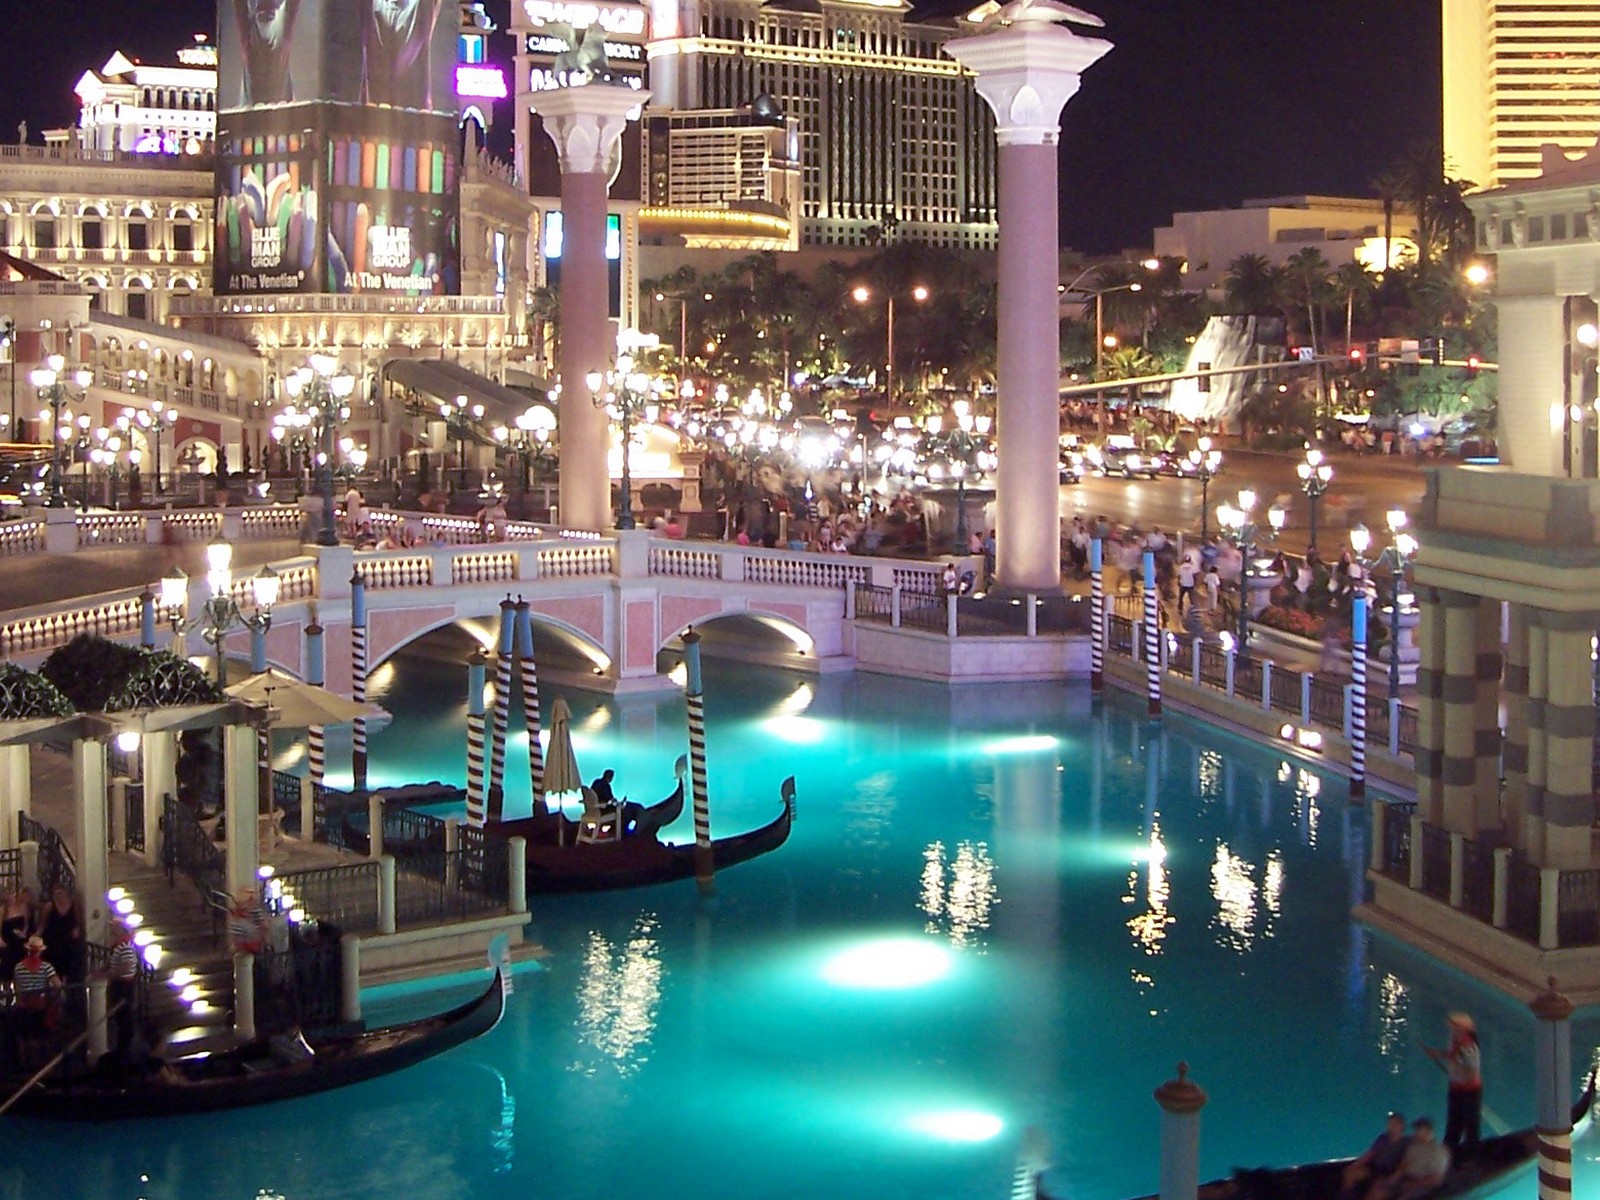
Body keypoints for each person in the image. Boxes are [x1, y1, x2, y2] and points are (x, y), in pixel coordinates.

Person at [1425, 1012, 1482, 1149]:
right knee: (1453, 1122)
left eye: (1455, 1029)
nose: (1452, 1031)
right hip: (1456, 1087)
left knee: (1470, 1125)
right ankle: (1450, 1148)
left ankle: (1472, 1151)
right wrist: (1438, 1053)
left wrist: (1458, 1069)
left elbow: (1472, 1070)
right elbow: (1452, 1054)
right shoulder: (1454, 1039)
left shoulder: (1469, 1047)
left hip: (1469, 1090)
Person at [1366, 1117, 1449, 1200]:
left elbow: (1436, 1179)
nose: (1415, 1133)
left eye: (1419, 1130)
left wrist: (1412, 1184)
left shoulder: (1438, 1152)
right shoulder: (1414, 1146)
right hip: (1404, 1178)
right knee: (1378, 1188)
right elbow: (1404, 1164)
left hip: (1421, 1184)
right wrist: (1393, 1178)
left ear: (1428, 1131)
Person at [1340, 1112, 1410, 1200]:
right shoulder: (1383, 1138)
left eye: (1394, 1124)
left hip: (1389, 1172)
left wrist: (1393, 1178)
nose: (1391, 1126)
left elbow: (1405, 1164)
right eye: (1390, 1124)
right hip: (1375, 1168)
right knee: (1350, 1174)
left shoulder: (1407, 1142)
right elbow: (1370, 1153)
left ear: (1402, 1126)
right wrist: (1354, 1166)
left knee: (1376, 1191)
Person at [39, 884, 83, 984]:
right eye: (56, 893)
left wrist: (77, 930)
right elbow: (43, 923)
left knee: (69, 968)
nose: (58, 896)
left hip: (68, 942)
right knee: (55, 967)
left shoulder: (73, 905)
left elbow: (78, 921)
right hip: (53, 942)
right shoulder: (49, 906)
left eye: (60, 893)